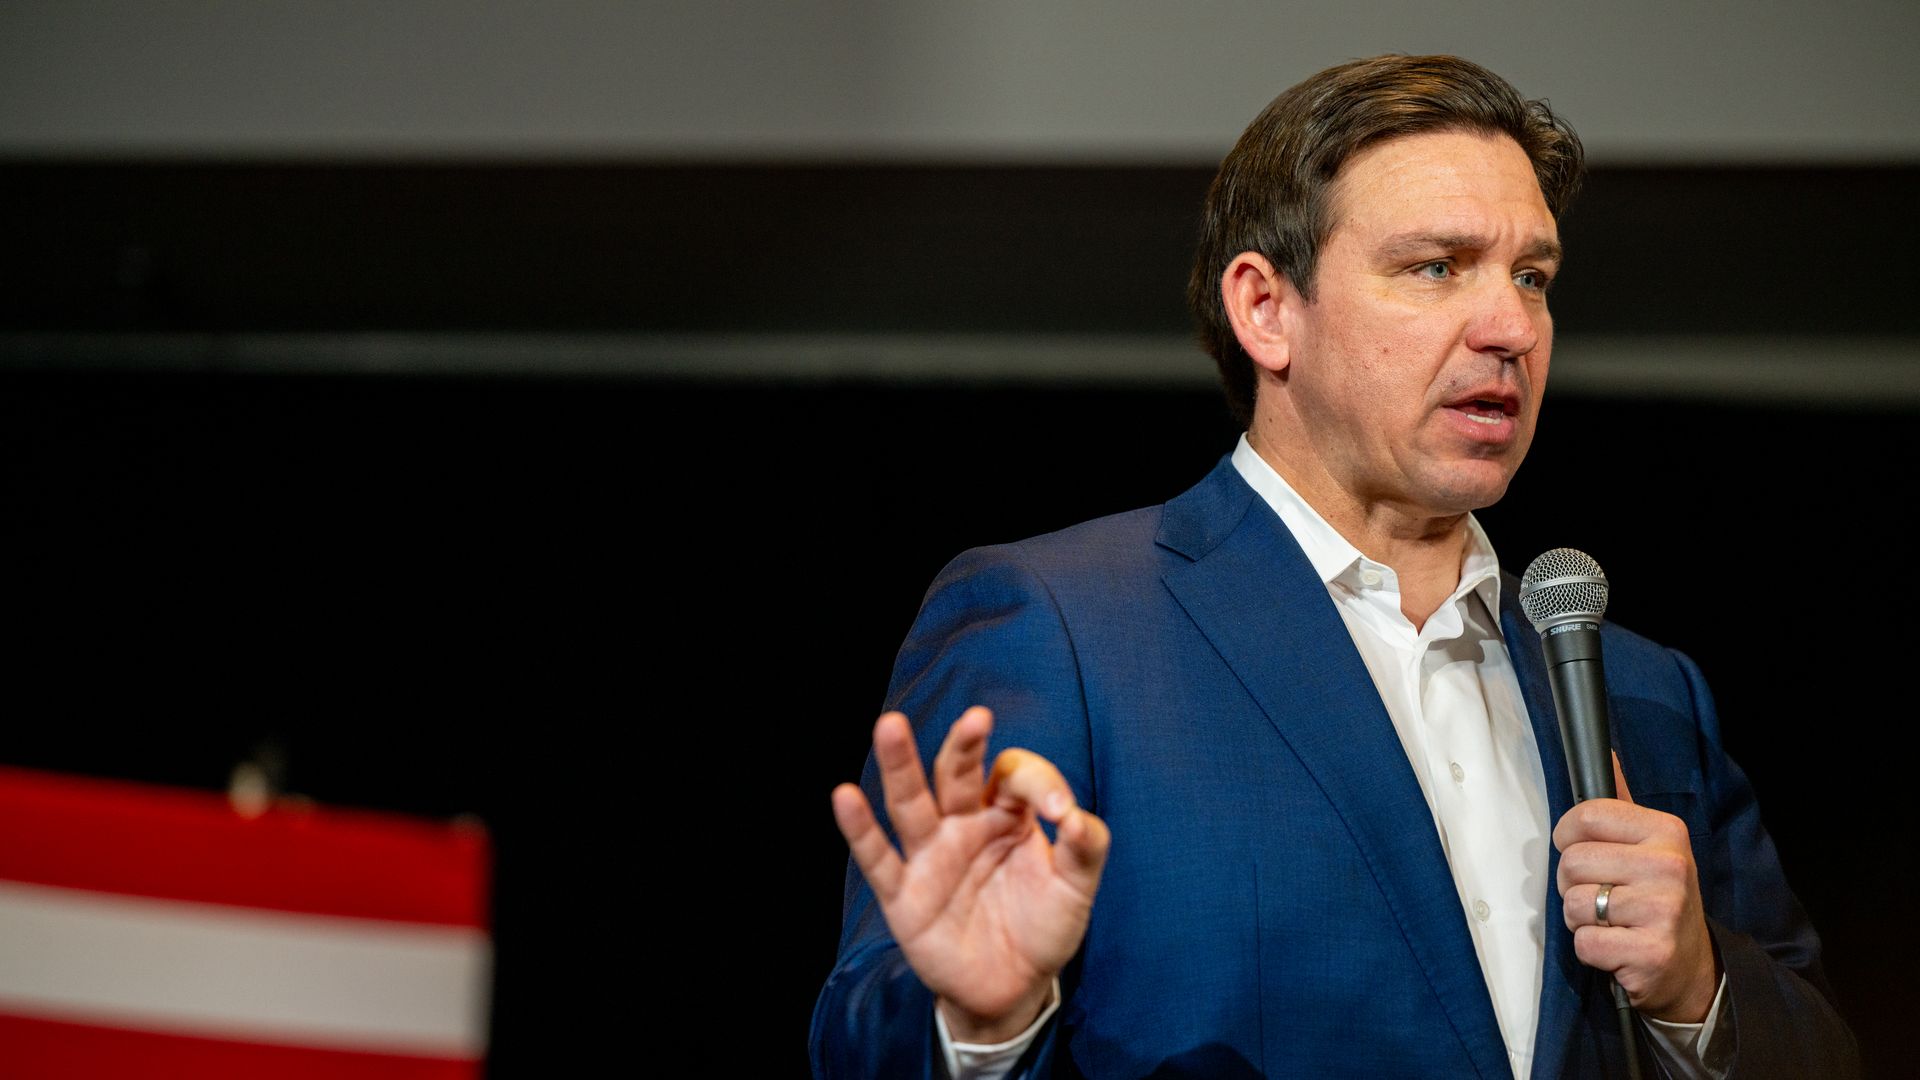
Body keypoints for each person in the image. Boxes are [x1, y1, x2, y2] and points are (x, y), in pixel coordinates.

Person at [810, 55, 1856, 1079]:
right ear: (1266, 309)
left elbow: (1823, 1047)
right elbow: (864, 1043)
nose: (1509, 329)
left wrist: (1697, 992)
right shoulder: (1069, 628)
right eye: (1436, 267)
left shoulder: (1640, 689)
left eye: (1532, 277)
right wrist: (979, 1023)